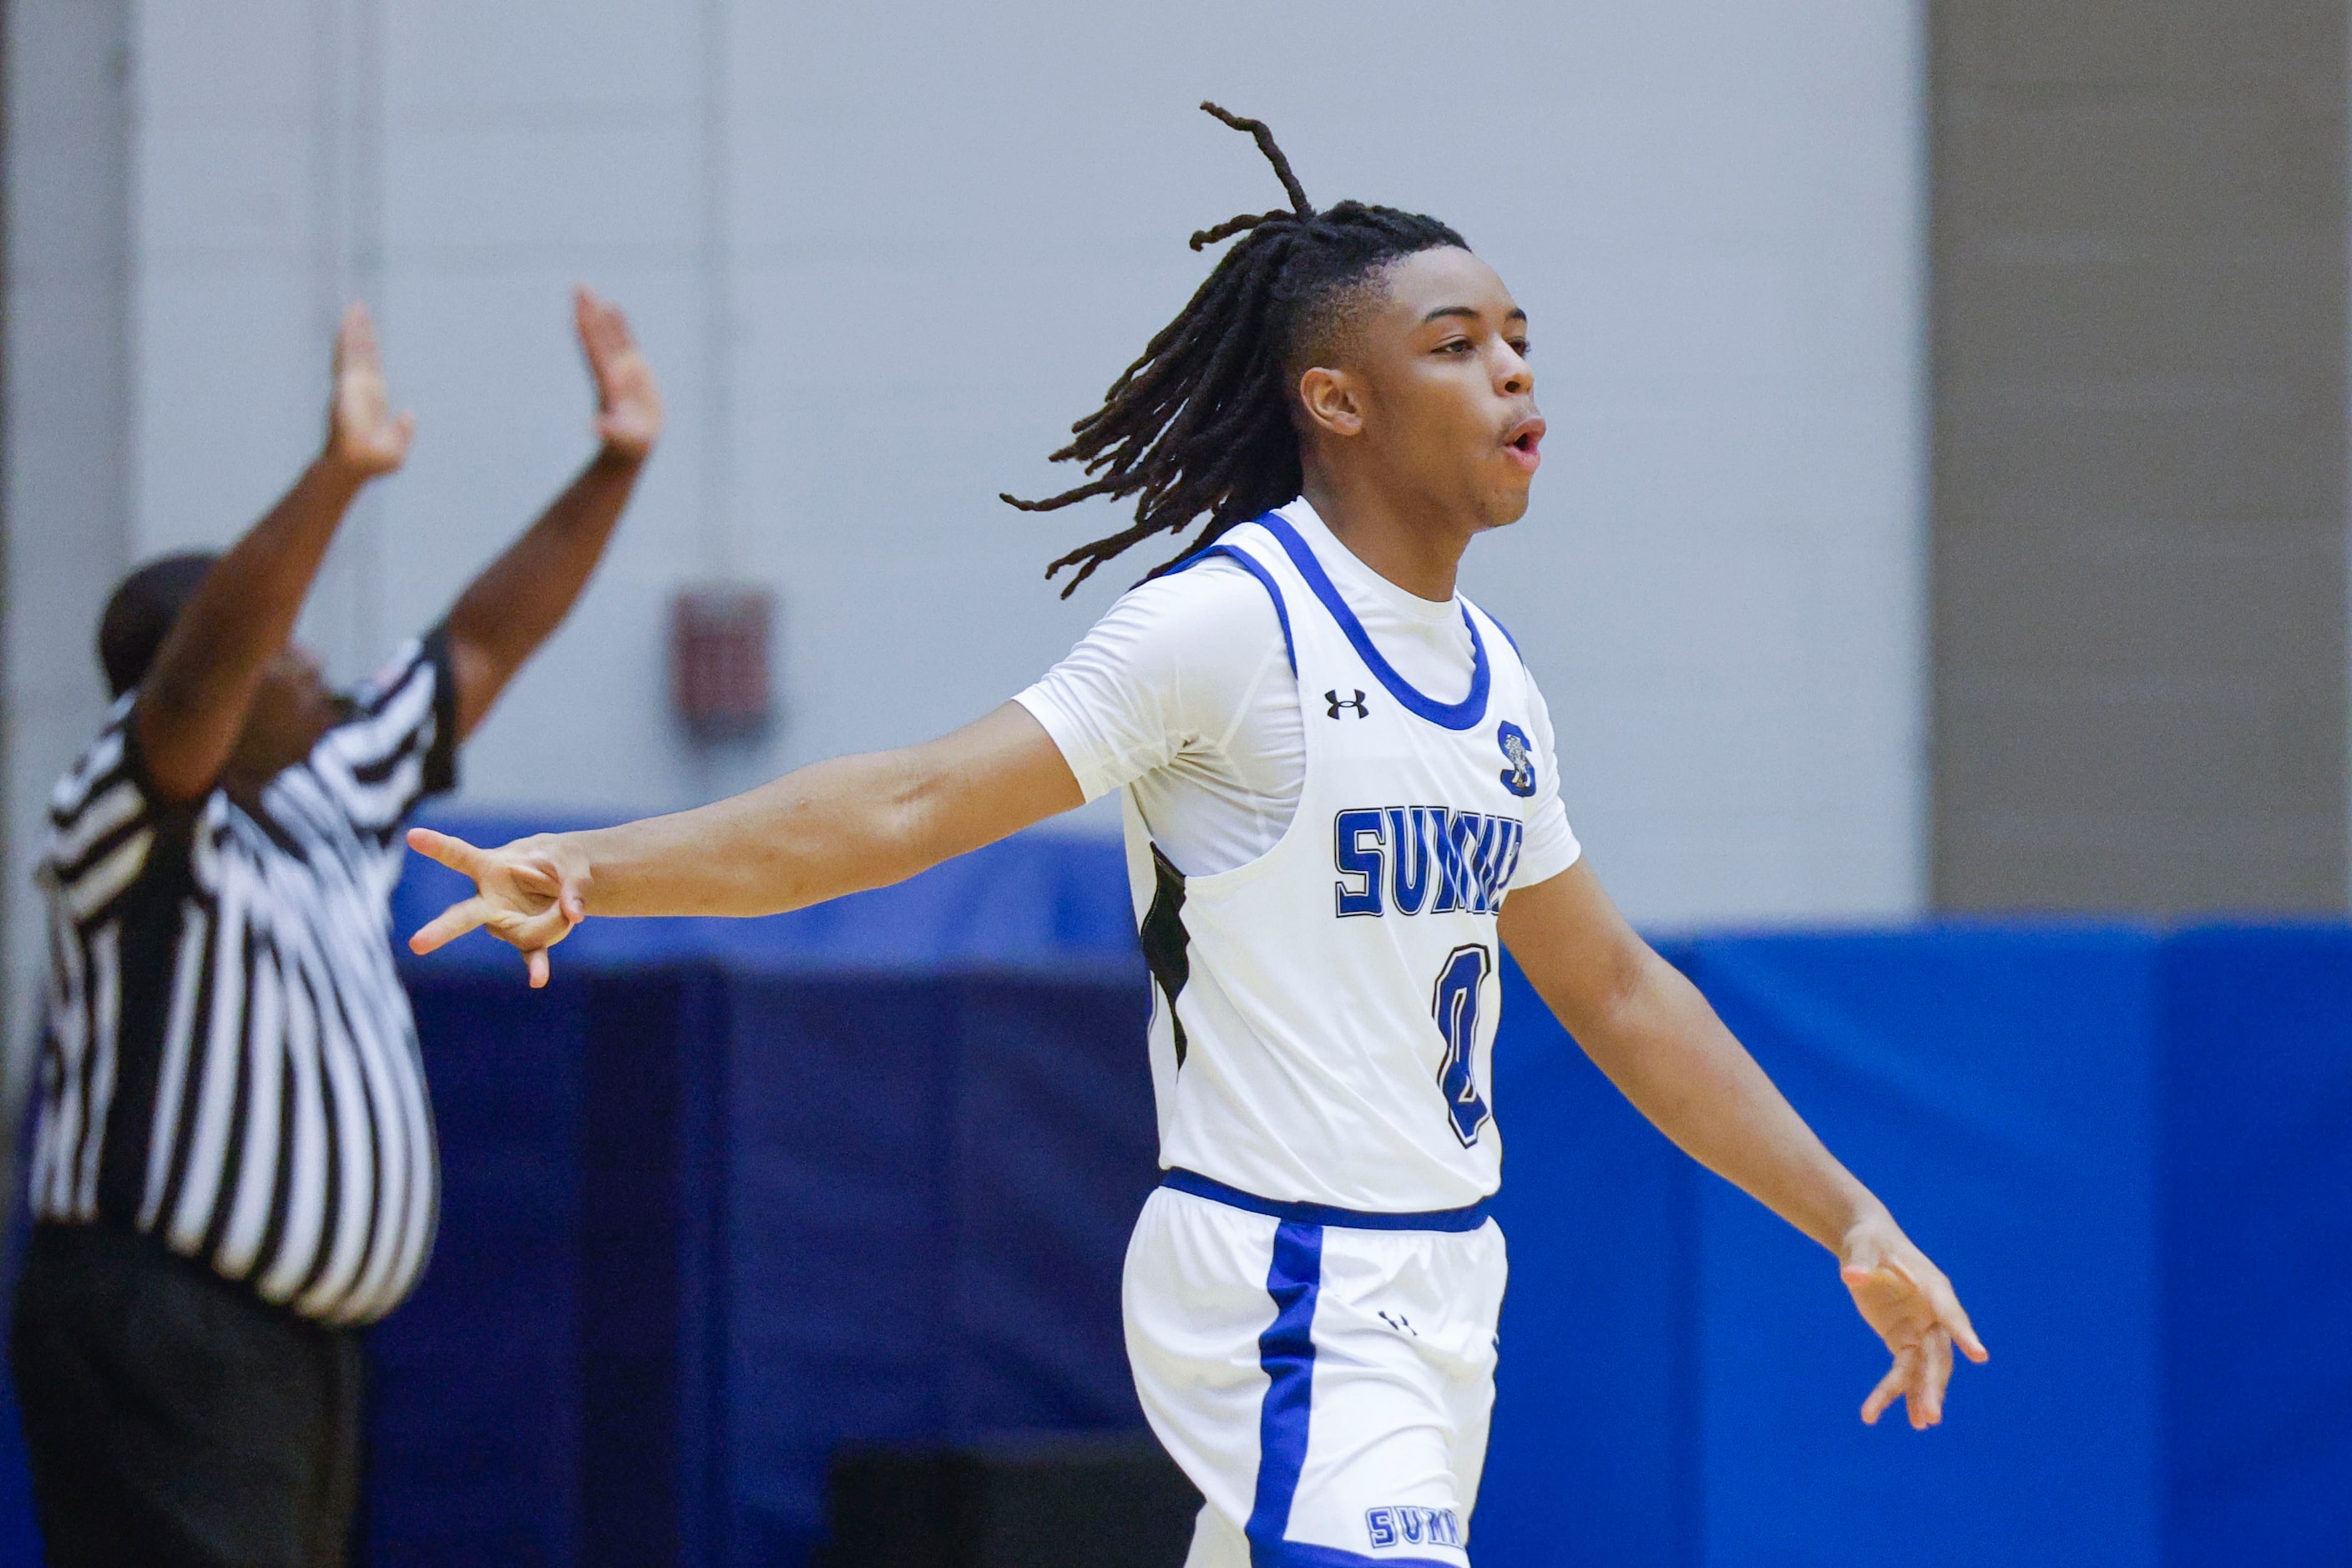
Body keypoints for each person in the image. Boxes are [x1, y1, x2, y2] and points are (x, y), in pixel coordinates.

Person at [407, 106, 1984, 1566]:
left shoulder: (1492, 677)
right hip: (1293, 1277)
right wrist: (596, 867)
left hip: (1446, 1282)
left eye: (1518, 339)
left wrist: (1846, 1212)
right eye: (1456, 345)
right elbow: (907, 803)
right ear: (1335, 398)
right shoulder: (1232, 628)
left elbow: (1618, 991)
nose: (1511, 371)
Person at [14, 287, 662, 1567]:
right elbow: (199, 676)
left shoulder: (326, 793)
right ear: (205, 681)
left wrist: (614, 464)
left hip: (304, 1351)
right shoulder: (114, 812)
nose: (315, 663)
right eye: (281, 647)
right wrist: (336, 478)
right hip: (161, 1325)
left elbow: (479, 639)